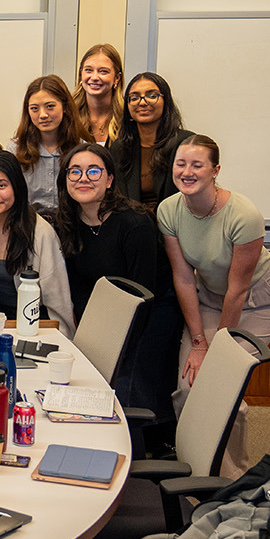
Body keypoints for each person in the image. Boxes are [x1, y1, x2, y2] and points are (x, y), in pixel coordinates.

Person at [159, 135, 270, 474]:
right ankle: (195, 469)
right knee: (189, 385)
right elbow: (184, 278)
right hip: (209, 296)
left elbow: (238, 290)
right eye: (181, 164)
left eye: (197, 165)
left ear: (215, 170)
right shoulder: (169, 211)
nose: (187, 171)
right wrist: (200, 342)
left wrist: (220, 349)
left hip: (258, 299)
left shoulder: (244, 215)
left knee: (223, 383)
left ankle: (232, 477)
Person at [54, 142, 178, 426]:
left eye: (94, 171)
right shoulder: (66, 224)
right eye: (75, 172)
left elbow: (142, 294)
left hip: (150, 313)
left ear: (110, 180)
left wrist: (113, 344)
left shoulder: (134, 224)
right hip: (103, 315)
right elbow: (78, 289)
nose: (83, 178)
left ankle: (150, 449)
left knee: (129, 388)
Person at [0, 151, 76, 336]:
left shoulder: (40, 232)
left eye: (2, 185)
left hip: (36, 322)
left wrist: (63, 343)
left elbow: (57, 300)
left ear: (17, 186)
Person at [112, 72, 195, 210]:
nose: (143, 102)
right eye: (134, 98)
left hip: (175, 225)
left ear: (166, 100)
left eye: (152, 96)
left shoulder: (185, 144)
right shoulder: (119, 148)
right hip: (133, 225)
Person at [12, 74, 88, 213]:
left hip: (72, 226)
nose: (42, 115)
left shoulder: (82, 149)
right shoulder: (15, 150)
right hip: (29, 227)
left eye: (50, 106)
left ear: (65, 107)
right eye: (34, 108)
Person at [73, 43, 126, 144]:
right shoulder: (68, 114)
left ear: (117, 78)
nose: (94, 77)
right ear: (81, 74)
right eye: (88, 70)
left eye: (103, 71)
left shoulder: (128, 116)